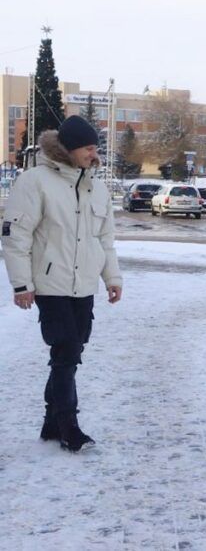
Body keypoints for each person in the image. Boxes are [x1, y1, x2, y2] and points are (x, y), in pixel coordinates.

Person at [1, 116, 123, 452]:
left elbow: (105, 240)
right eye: (87, 147)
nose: (93, 153)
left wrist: (112, 278)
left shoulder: (96, 186)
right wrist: (21, 284)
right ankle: (69, 425)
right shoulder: (35, 181)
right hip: (49, 284)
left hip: (84, 285)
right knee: (66, 348)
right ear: (68, 149)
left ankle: (51, 423)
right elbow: (16, 236)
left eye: (95, 146)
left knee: (70, 351)